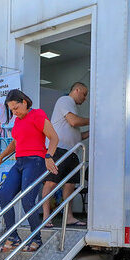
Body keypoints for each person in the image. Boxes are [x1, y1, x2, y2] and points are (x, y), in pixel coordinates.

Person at [0, 89, 59, 252]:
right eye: (11, 110)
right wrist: (1, 156)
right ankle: (13, 237)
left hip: (35, 161)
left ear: (24, 101)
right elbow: (15, 144)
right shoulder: (17, 121)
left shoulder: (37, 114)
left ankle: (36, 238)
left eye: (16, 108)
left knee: (27, 200)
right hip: (20, 162)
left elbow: (54, 137)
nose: (14, 112)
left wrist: (49, 156)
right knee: (4, 195)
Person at [42, 81, 89, 227]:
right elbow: (74, 122)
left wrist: (94, 129)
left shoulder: (72, 107)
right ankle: (45, 217)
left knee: (70, 185)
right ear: (76, 90)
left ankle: (68, 217)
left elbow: (77, 136)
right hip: (59, 150)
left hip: (72, 152)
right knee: (50, 183)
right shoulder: (65, 100)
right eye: (84, 94)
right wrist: (93, 120)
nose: (85, 98)